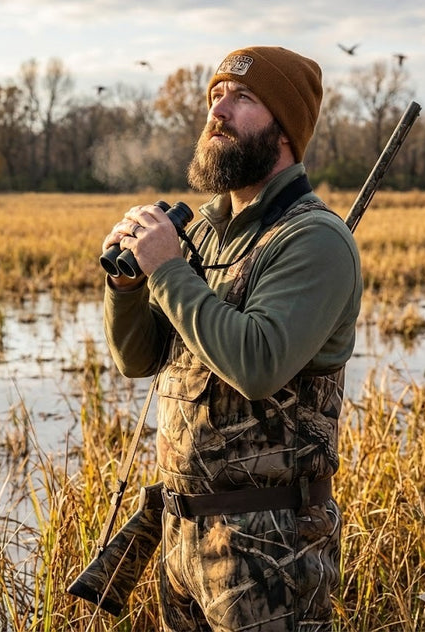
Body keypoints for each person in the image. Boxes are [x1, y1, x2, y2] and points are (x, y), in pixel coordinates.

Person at [101, 46, 363, 632]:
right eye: (215, 95)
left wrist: (168, 270)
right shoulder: (207, 236)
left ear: (286, 130)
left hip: (271, 549)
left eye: (242, 97)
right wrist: (126, 284)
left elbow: (258, 362)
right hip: (181, 535)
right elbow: (137, 359)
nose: (218, 109)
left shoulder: (314, 240)